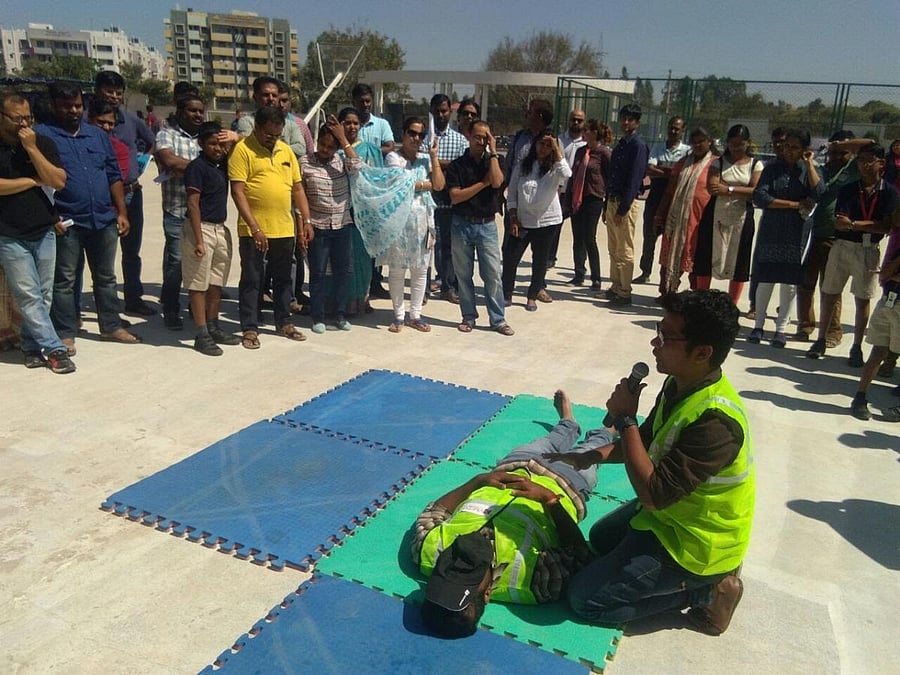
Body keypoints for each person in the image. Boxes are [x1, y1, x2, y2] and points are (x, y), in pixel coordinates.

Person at [558, 289, 753, 635]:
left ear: (702, 353)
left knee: (584, 599)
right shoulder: (680, 383)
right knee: (601, 539)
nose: (654, 342)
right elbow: (646, 441)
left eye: (666, 337)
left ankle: (708, 590)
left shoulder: (717, 423)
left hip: (697, 542)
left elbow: (653, 495)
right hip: (672, 516)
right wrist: (590, 456)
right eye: (658, 330)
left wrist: (625, 419)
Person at [411, 390, 615, 637]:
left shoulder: (428, 551)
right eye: (467, 576)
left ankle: (568, 421)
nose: (459, 563)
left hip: (517, 464)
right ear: (487, 593)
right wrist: (550, 500)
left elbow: (435, 511)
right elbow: (580, 555)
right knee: (594, 449)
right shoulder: (532, 581)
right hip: (566, 484)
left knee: (551, 440)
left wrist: (479, 480)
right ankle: (610, 428)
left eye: (445, 576)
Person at [35, 81, 141, 351]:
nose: (73, 111)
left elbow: (113, 175)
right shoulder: (42, 135)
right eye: (66, 106)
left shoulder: (97, 135)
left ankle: (111, 326)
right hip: (67, 221)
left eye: (77, 106)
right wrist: (51, 217)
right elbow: (37, 181)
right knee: (65, 281)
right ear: (53, 106)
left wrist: (121, 211)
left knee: (106, 277)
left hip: (103, 219)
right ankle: (65, 331)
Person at [0, 89, 73, 373]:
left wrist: (31, 149)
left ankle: (31, 346)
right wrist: (32, 180)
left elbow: (57, 180)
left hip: (43, 230)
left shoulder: (40, 142)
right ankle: (55, 349)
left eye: (27, 118)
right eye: (16, 118)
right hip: (9, 234)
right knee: (28, 295)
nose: (23, 124)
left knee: (43, 295)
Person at [228, 106, 312, 349]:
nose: (273, 139)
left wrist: (306, 221)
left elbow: (298, 189)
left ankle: (284, 322)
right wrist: (255, 227)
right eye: (268, 134)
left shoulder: (285, 151)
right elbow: (237, 192)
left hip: (284, 229)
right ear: (257, 127)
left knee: (284, 279)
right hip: (254, 230)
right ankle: (250, 327)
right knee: (252, 280)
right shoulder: (242, 151)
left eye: (277, 135)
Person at [807, 144, 899, 365]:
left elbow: (885, 226)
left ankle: (856, 346)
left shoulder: (889, 192)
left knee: (862, 298)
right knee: (829, 292)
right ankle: (820, 339)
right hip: (842, 245)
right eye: (861, 160)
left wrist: (854, 224)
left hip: (868, 249)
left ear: (881, 163)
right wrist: (865, 225)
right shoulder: (849, 189)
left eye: (869, 160)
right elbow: (839, 222)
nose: (864, 165)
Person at [794, 132, 870, 344]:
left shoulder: (853, 170)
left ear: (850, 152)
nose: (835, 156)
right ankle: (805, 325)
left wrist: (843, 143)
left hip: (838, 238)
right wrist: (810, 163)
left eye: (841, 153)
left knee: (831, 288)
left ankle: (832, 331)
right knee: (805, 283)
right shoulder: (822, 169)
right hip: (814, 235)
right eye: (833, 153)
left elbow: (870, 143)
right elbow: (817, 189)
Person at [748, 128, 822, 347]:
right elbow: (761, 197)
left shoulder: (809, 170)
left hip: (797, 232)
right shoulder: (772, 169)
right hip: (772, 229)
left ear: (804, 150)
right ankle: (758, 326)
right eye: (786, 146)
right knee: (766, 278)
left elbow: (819, 192)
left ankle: (780, 329)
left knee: (789, 282)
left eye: (794, 147)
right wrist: (794, 204)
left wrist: (809, 164)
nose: (788, 151)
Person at [93, 71, 157, 317]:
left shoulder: (131, 121)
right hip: (103, 196)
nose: (113, 96)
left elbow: (153, 141)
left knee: (131, 252)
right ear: (98, 91)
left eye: (118, 93)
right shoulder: (88, 121)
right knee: (103, 257)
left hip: (131, 193)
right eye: (109, 91)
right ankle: (107, 309)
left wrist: (140, 162)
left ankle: (134, 299)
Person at [446, 119, 514, 336]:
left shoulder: (496, 162)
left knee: (492, 274)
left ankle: (498, 319)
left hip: (487, 225)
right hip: (461, 224)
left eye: (486, 138)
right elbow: (455, 196)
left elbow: (497, 182)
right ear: (468, 136)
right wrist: (482, 184)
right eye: (477, 137)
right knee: (463, 275)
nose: (481, 141)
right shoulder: (457, 165)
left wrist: (493, 152)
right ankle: (468, 316)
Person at [182, 121, 240, 356]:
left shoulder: (222, 164)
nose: (218, 148)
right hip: (201, 228)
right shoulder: (196, 168)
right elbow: (193, 204)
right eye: (212, 144)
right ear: (201, 144)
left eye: (221, 144)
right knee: (198, 283)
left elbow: (244, 145)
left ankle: (213, 324)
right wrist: (198, 240)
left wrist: (235, 138)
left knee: (216, 281)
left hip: (219, 228)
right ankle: (202, 332)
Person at [381, 116, 443, 332]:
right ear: (403, 134)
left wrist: (433, 157)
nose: (416, 138)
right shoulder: (393, 158)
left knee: (420, 270)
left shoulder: (425, 160)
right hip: (400, 222)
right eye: (412, 133)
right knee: (397, 270)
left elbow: (440, 184)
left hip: (424, 222)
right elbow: (399, 184)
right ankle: (399, 315)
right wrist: (426, 185)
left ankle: (415, 315)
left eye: (421, 135)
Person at [693, 125, 763, 304]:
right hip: (715, 216)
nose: (736, 148)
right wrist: (741, 190)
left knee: (739, 261)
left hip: (741, 218)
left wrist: (729, 189)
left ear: (748, 143)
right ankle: (702, 301)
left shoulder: (755, 165)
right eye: (732, 144)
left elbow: (755, 191)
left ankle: (732, 304)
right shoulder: (719, 163)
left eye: (740, 144)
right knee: (706, 258)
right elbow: (713, 187)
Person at [503, 128, 571, 311]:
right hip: (522, 220)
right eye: (541, 143)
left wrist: (557, 150)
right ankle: (507, 294)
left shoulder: (555, 168)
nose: (544, 148)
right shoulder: (522, 166)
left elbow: (567, 174)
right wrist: (513, 217)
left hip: (547, 222)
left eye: (549, 145)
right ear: (535, 144)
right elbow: (512, 194)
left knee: (540, 261)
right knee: (511, 258)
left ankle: (532, 296)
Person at [301, 117, 358, 335]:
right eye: (322, 145)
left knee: (343, 272)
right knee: (318, 273)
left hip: (342, 225)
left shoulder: (342, 160)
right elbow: (299, 196)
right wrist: (304, 224)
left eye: (330, 147)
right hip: (318, 226)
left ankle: (340, 314)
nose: (325, 150)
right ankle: (318, 316)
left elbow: (358, 167)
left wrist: (343, 139)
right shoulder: (304, 162)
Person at [155, 93, 205, 329]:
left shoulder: (207, 136)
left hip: (204, 213)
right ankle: (171, 309)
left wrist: (185, 168)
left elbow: (218, 164)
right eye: (192, 110)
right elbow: (169, 162)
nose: (198, 115)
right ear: (180, 111)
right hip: (177, 210)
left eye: (200, 111)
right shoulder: (166, 134)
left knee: (200, 262)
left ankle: (197, 309)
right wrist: (203, 168)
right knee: (175, 263)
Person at [655, 127, 717, 296]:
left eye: (701, 142)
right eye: (694, 142)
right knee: (669, 256)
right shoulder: (682, 163)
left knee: (696, 258)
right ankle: (668, 293)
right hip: (676, 219)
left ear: (709, 142)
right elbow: (670, 190)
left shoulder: (715, 164)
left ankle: (697, 297)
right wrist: (659, 214)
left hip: (700, 221)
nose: (697, 145)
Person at [337, 106, 382, 316]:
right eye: (347, 123)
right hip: (340, 210)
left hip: (363, 212)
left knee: (363, 259)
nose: (352, 127)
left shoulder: (370, 149)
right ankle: (345, 301)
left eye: (355, 123)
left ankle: (363, 298)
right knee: (344, 258)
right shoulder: (333, 150)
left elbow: (374, 177)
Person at [604, 104, 650, 306]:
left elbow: (634, 180)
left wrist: (623, 209)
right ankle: (615, 286)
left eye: (630, 119)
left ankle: (625, 291)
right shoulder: (621, 144)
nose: (625, 122)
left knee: (624, 249)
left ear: (637, 123)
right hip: (612, 201)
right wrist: (607, 206)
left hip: (626, 204)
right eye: (623, 118)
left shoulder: (637, 146)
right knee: (613, 248)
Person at [352, 83, 394, 301]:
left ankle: (375, 282)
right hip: (353, 189)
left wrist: (369, 151)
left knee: (375, 239)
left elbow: (390, 146)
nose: (365, 105)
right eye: (361, 101)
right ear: (354, 102)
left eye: (368, 101)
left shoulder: (381, 124)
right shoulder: (350, 123)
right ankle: (357, 287)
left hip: (376, 189)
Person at [636, 117, 690, 284]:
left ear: (683, 131)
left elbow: (683, 174)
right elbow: (650, 169)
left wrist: (662, 170)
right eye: (671, 128)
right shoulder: (657, 147)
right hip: (655, 197)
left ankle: (668, 275)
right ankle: (645, 272)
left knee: (672, 241)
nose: (673, 131)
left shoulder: (687, 151)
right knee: (649, 237)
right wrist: (672, 172)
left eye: (677, 129)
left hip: (675, 199)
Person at [849, 244, 900, 421]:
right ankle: (860, 396)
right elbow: (884, 275)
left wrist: (891, 275)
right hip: (888, 302)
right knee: (877, 351)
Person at [427, 94, 467, 303]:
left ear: (450, 112)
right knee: (426, 245)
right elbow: (422, 164)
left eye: (444, 111)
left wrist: (435, 162)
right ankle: (424, 288)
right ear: (431, 111)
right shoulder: (424, 138)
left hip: (450, 200)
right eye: (437, 111)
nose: (441, 115)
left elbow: (459, 167)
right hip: (427, 199)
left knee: (448, 245)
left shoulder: (460, 140)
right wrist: (444, 165)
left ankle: (448, 286)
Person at [568, 120, 612, 289]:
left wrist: (607, 204)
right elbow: (573, 175)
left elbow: (609, 178)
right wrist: (568, 199)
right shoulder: (581, 151)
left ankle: (596, 277)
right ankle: (579, 273)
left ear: (594, 133)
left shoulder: (604, 153)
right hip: (577, 200)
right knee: (577, 237)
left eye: (586, 130)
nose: (583, 132)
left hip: (593, 199)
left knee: (589, 238)